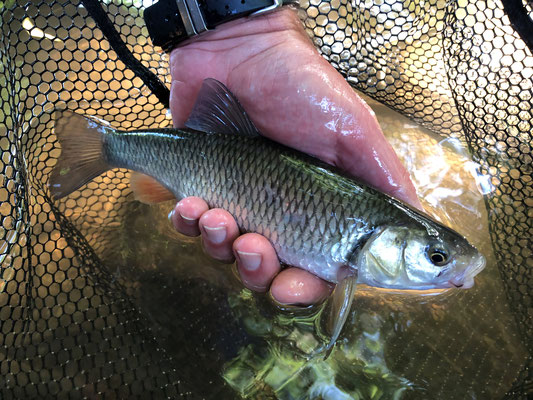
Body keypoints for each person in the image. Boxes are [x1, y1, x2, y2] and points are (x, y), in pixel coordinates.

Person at [167, 7, 421, 306]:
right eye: (437, 258)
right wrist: (244, 33)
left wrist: (241, 32)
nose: (443, 266)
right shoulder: (348, 269)